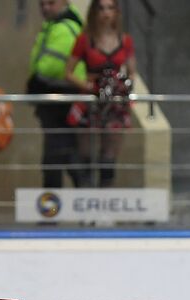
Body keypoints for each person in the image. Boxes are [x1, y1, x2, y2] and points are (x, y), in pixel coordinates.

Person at [64, 0, 135, 188]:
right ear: (94, 11)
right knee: (85, 154)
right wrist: (86, 86)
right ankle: (86, 201)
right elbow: (68, 72)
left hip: (114, 102)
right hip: (91, 99)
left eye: (110, 8)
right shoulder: (85, 39)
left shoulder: (125, 40)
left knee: (109, 156)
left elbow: (131, 71)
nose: (105, 13)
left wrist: (125, 86)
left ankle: (105, 204)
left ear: (116, 12)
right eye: (101, 8)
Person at [27, 0, 85, 188]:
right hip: (57, 99)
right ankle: (58, 209)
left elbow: (51, 65)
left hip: (61, 99)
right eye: (42, 3)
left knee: (59, 155)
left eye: (51, 3)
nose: (45, 8)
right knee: (61, 155)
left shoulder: (64, 27)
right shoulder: (57, 25)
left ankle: (52, 211)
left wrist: (35, 80)